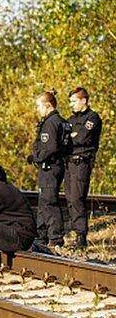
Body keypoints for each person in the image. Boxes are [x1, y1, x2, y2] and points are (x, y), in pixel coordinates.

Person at [27, 90, 68, 247]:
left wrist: (35, 157)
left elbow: (50, 147)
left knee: (49, 202)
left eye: (39, 106)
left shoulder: (51, 123)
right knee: (44, 201)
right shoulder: (61, 121)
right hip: (55, 166)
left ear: (48, 105)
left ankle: (56, 238)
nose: (38, 110)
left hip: (50, 166)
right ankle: (41, 235)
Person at [65, 87, 102, 249]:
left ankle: (81, 237)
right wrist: (71, 136)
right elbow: (64, 139)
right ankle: (75, 233)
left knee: (77, 198)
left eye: (74, 101)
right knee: (69, 198)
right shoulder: (71, 120)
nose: (71, 104)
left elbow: (81, 138)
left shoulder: (92, 118)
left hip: (82, 162)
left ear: (83, 101)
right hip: (69, 163)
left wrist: (72, 136)